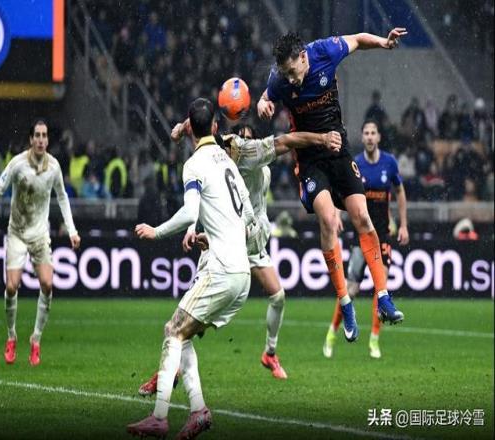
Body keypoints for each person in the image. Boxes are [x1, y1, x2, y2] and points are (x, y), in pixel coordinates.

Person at [137, 121, 342, 392]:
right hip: (226, 240)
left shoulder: (260, 166)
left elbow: (279, 145)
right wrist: (192, 229)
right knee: (188, 322)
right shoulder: (223, 162)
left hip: (251, 237)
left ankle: (270, 353)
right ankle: (168, 370)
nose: (240, 143)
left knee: (278, 296)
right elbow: (202, 195)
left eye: (246, 138)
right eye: (237, 138)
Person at [257, 29, 407, 342]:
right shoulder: (280, 79)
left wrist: (384, 42)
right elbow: (266, 96)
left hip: (338, 150)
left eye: (293, 71)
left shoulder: (325, 51)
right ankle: (345, 302)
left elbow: (359, 40)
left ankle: (383, 296)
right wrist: (263, 103)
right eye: (286, 74)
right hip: (310, 160)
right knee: (327, 219)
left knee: (362, 216)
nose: (291, 79)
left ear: (303, 57)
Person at [126, 98, 256, 439]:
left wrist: (156, 231)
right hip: (241, 273)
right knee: (182, 334)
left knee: (173, 330)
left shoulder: (194, 164)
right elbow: (248, 219)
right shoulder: (228, 163)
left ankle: (159, 417)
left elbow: (189, 213)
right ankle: (198, 410)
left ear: (190, 126)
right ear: (215, 125)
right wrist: (212, 237)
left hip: (221, 270)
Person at [0, 119, 81, 366]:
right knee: (12, 287)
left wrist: (72, 231)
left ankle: (36, 339)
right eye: (37, 135)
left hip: (40, 235)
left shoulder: (53, 167)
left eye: (44, 136)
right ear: (31, 139)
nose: (41, 140)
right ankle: (11, 336)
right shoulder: (17, 164)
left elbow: (62, 197)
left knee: (47, 284)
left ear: (47, 140)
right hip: (17, 232)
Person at [323, 120, 409, 360]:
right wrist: (336, 215)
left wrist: (403, 224)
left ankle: (374, 339)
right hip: (360, 236)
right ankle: (332, 332)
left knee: (381, 287)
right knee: (351, 289)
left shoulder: (389, 163)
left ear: (379, 137)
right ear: (362, 138)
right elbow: (342, 192)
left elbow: (400, 192)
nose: (370, 137)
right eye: (366, 133)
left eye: (373, 133)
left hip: (382, 234)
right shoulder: (356, 164)